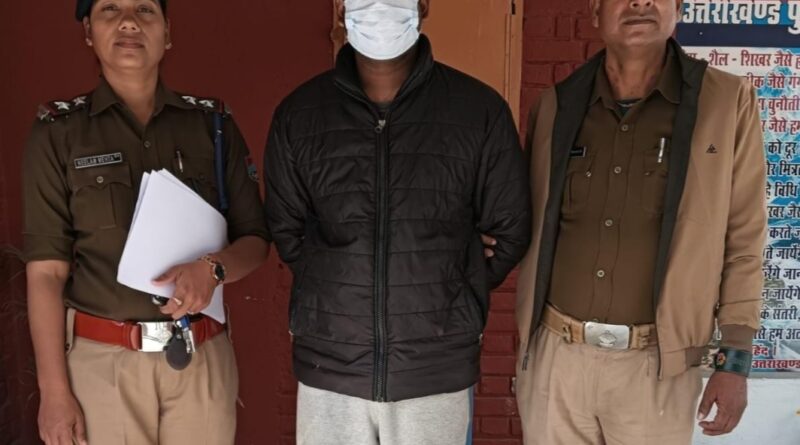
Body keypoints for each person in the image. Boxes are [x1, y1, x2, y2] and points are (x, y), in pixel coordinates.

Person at [263, 0, 531, 443]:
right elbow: (287, 231)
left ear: (422, 5)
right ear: (342, 8)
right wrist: (337, 285)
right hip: (331, 365)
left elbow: (510, 227)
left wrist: (452, 282)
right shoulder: (301, 114)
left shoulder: (478, 110)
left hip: (435, 367)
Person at [509, 0, 767, 443]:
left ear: (678, 9)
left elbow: (744, 237)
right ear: (596, 12)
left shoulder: (725, 102)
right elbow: (521, 216)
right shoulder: (556, 105)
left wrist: (735, 358)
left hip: (656, 369)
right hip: (556, 360)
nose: (640, 3)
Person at [22, 1, 270, 444]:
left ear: (168, 32)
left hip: (200, 355)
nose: (128, 22)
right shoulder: (58, 132)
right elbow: (46, 272)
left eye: (144, 9)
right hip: (103, 364)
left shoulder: (212, 125)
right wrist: (53, 391)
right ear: (88, 31)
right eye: (109, 9)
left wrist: (213, 270)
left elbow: (254, 239)